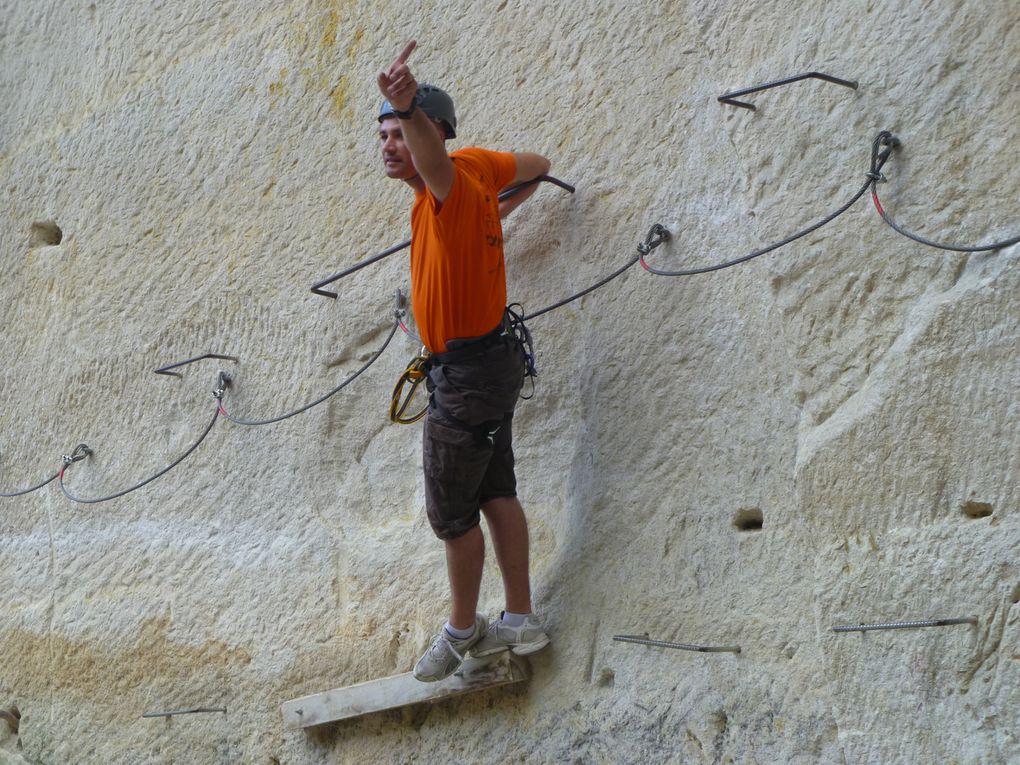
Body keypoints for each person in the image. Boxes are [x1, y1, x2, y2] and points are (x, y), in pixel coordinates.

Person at [376, 40, 552, 682]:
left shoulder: (447, 181)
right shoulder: (471, 179)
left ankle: (462, 628)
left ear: (436, 135)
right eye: (385, 135)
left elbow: (434, 159)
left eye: (402, 134)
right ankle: (520, 618)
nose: (391, 144)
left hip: (469, 374)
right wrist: (494, 212)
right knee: (495, 488)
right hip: (489, 362)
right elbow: (538, 166)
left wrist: (409, 109)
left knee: (452, 509)